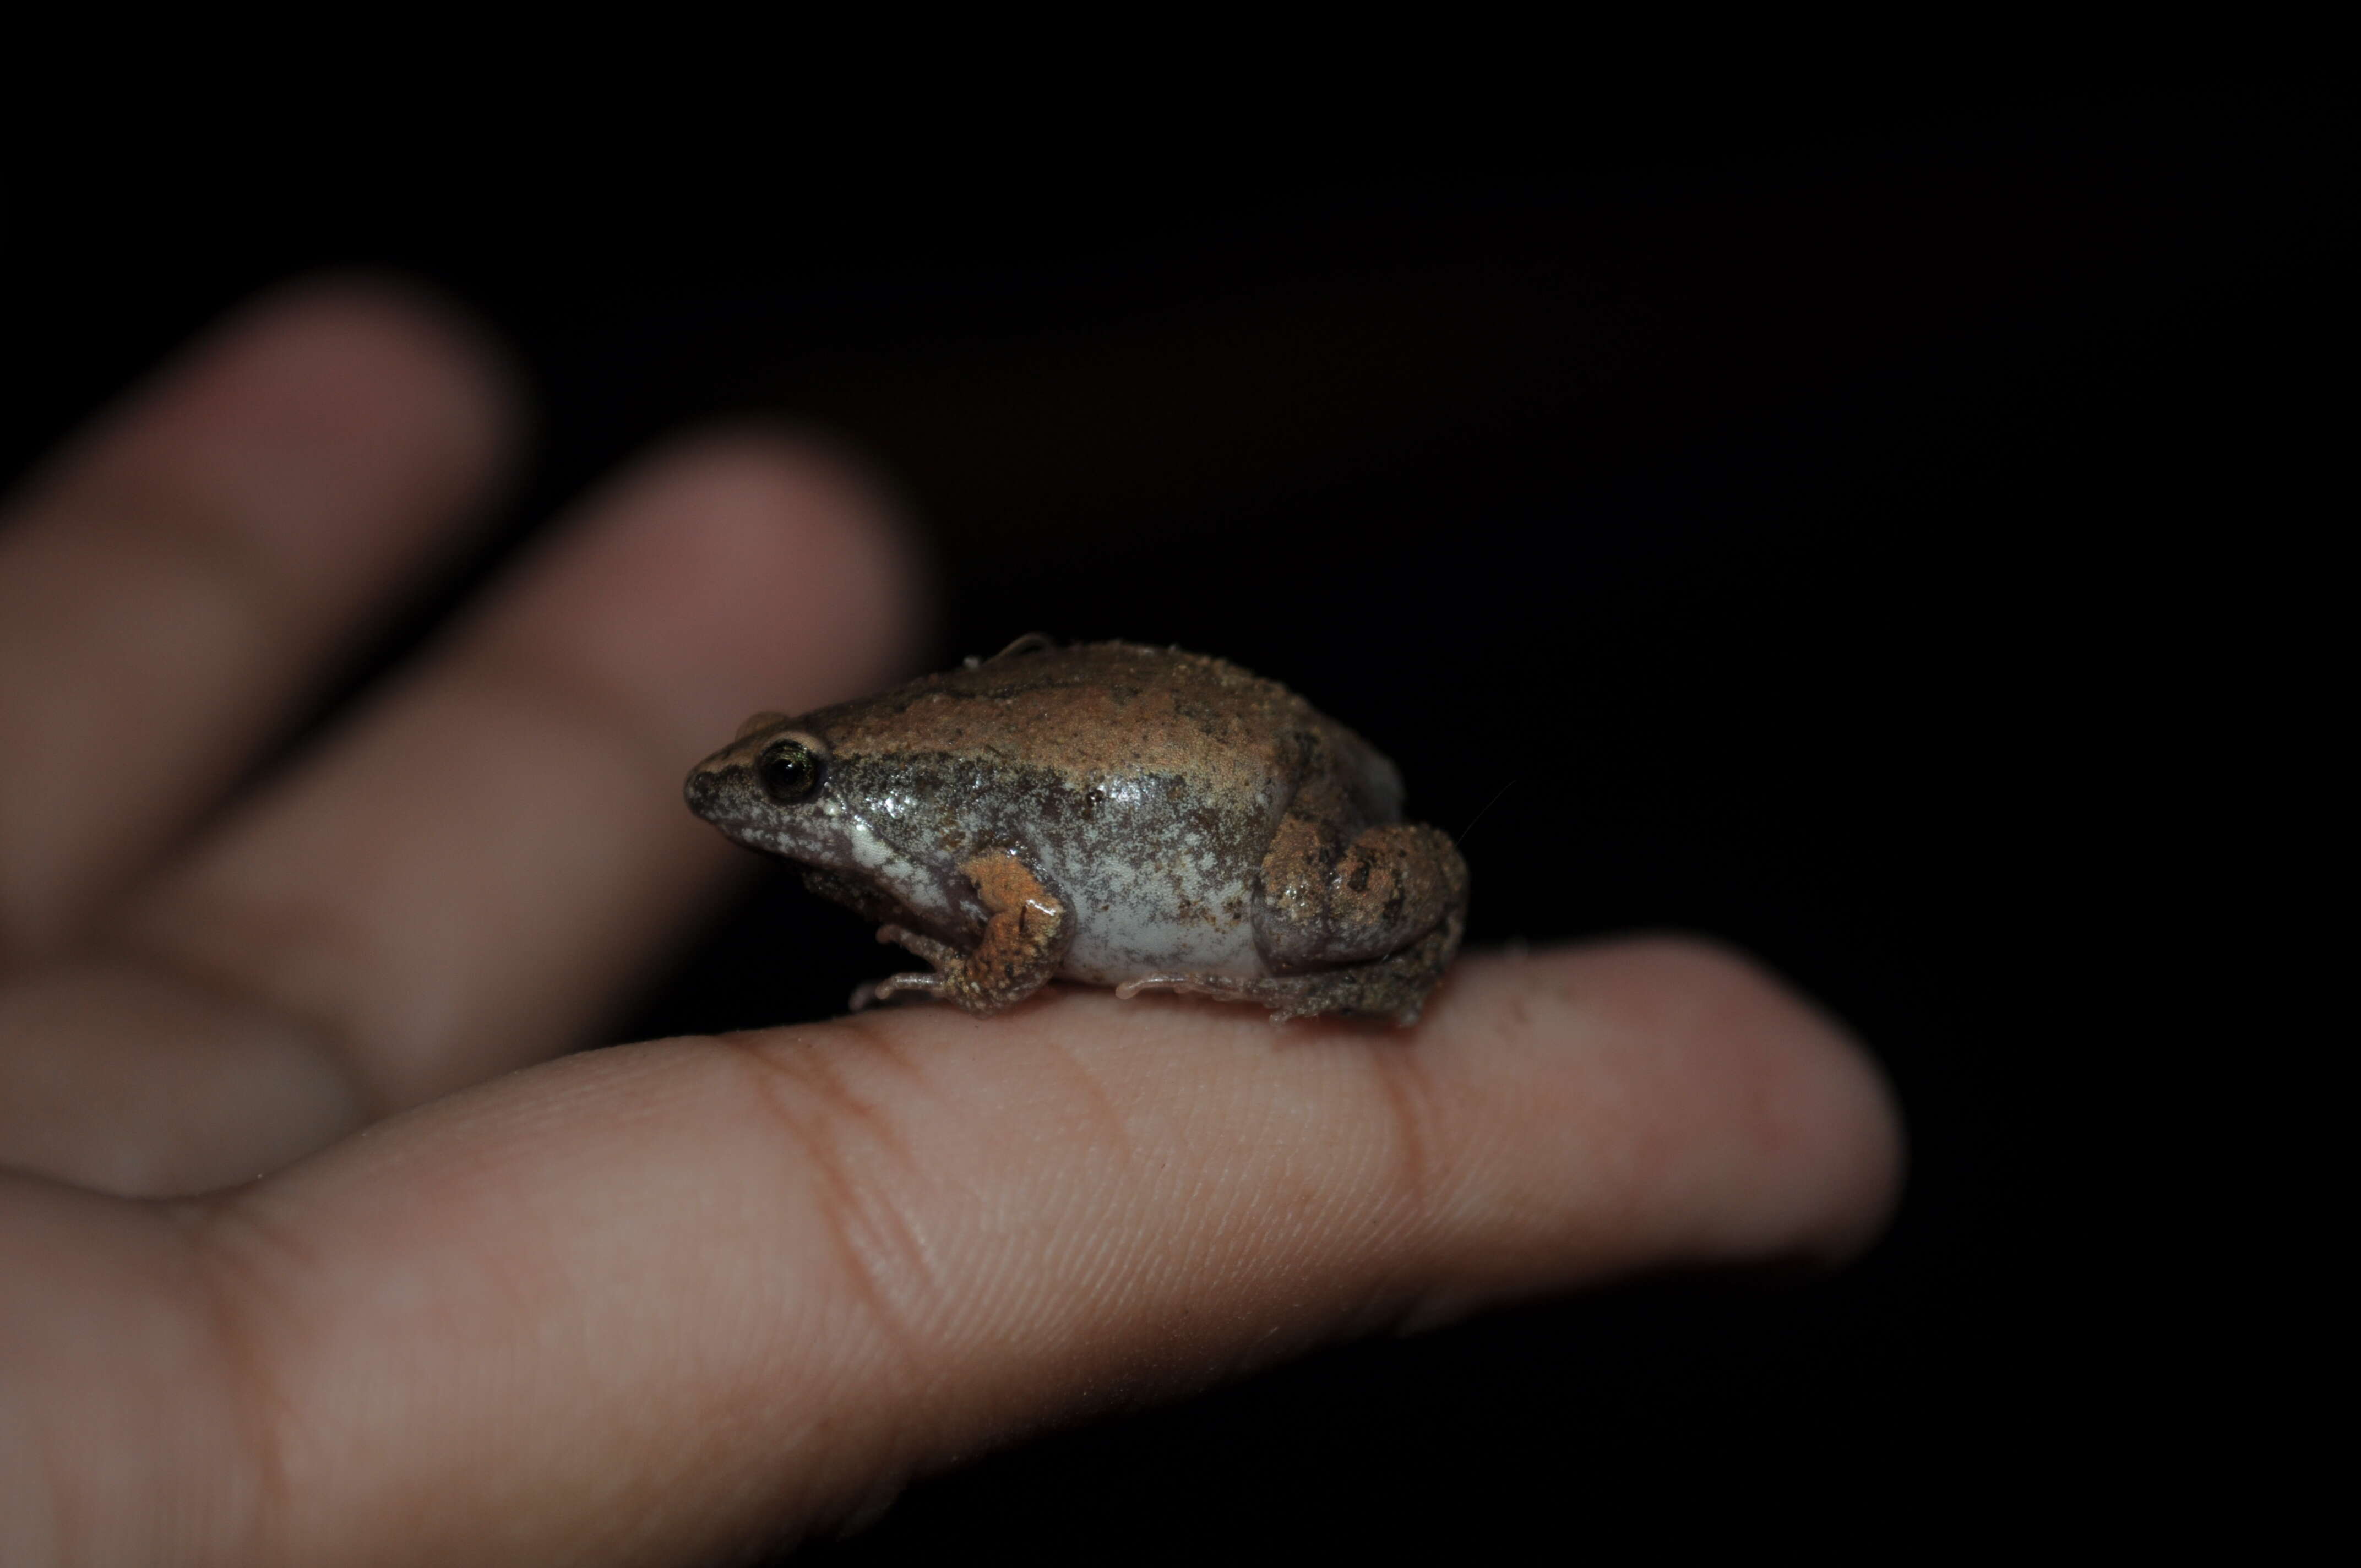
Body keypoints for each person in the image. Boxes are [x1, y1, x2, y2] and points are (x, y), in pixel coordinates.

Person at [0, 281, 1902, 1564]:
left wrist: (991, 985)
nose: (751, 808)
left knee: (1344, 908)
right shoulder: (903, 784)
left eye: (798, 782)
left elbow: (1017, 919)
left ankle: (1391, 967)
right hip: (1196, 764)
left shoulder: (956, 825)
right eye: (782, 777)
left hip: (1261, 820)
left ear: (869, 781)